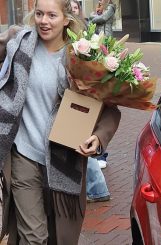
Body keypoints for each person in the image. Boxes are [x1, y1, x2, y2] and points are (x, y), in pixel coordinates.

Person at [0, 0, 121, 244]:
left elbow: (110, 109)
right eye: (39, 14)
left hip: (63, 157)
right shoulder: (19, 42)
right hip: (23, 154)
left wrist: (98, 138)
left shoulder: (82, 56)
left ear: (66, 18)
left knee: (58, 237)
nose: (44, 21)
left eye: (52, 15)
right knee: (34, 237)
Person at [70, 0, 112, 202]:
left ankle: (97, 189)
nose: (72, 11)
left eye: (75, 7)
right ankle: (97, 189)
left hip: (83, 101)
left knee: (81, 141)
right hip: (76, 99)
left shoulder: (87, 32)